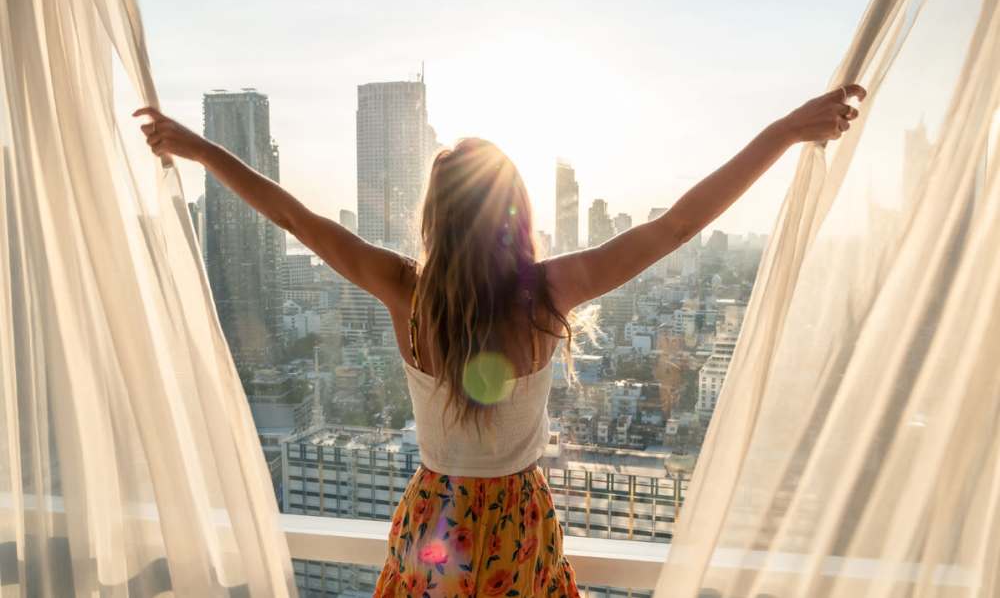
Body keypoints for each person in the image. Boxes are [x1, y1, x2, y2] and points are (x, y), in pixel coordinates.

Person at [134, 83, 864, 596]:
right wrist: (784, 131)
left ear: (436, 217)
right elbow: (673, 227)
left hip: (433, 524)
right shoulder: (545, 293)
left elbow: (294, 219)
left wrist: (199, 148)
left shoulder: (407, 292)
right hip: (519, 524)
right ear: (516, 211)